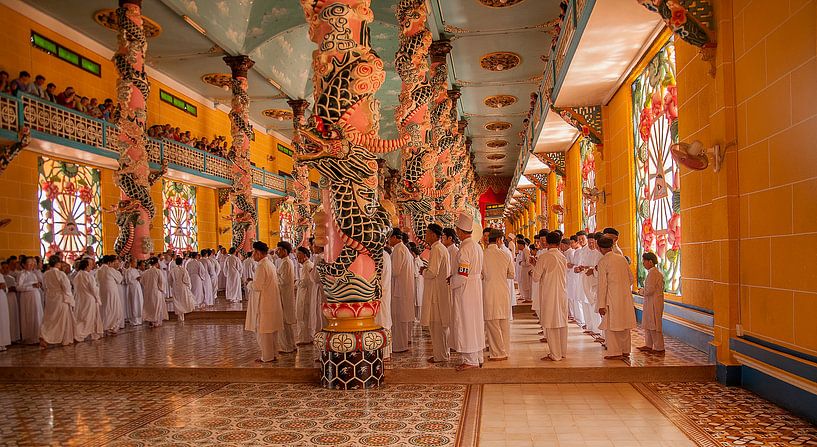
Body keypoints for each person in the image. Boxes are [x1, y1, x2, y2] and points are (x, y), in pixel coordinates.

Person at [450, 213, 485, 371]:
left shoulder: (464, 248)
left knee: (466, 322)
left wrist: (451, 281)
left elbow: (463, 275)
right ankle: (477, 356)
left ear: (460, 231)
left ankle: (470, 359)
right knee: (475, 321)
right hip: (475, 287)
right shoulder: (477, 246)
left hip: (466, 290)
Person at [531, 231, 569, 361]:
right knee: (562, 323)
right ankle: (562, 352)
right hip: (562, 293)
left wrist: (533, 267)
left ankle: (555, 354)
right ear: (559, 243)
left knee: (551, 323)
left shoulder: (544, 257)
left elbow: (536, 277)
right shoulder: (563, 257)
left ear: (547, 242)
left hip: (550, 293)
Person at [597, 236, 636, 360]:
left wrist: (601, 305)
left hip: (611, 298)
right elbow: (631, 279)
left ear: (600, 248)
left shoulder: (603, 261)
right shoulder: (622, 259)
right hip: (625, 297)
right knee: (624, 324)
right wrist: (622, 288)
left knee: (612, 325)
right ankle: (625, 350)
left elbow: (602, 285)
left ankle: (615, 352)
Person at [245, 241, 283, 362]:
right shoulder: (269, 264)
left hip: (264, 302)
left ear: (259, 253)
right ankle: (273, 353)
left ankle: (267, 356)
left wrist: (249, 283)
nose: (253, 255)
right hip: (270, 301)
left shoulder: (262, 266)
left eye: (254, 252)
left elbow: (257, 286)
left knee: (264, 330)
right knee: (270, 330)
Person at [421, 223, 452, 363]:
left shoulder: (437, 249)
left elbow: (433, 271)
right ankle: (443, 353)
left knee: (437, 326)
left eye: (427, 233)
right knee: (440, 326)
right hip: (439, 291)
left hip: (437, 294)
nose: (425, 235)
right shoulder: (440, 248)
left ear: (433, 235)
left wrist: (423, 271)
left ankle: (441, 356)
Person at [482, 229, 514, 361]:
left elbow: (480, 274)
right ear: (499, 240)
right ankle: (505, 350)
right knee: (504, 323)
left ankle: (497, 353)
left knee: (492, 322)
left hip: (489, 290)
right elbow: (511, 274)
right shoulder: (506, 255)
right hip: (503, 290)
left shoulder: (483, 255)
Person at [39, 255, 75, 347]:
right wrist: (70, 298)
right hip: (60, 298)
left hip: (50, 298)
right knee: (61, 319)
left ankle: (45, 335)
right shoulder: (60, 274)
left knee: (50, 318)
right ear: (58, 264)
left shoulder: (46, 274)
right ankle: (61, 338)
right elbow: (66, 287)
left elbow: (44, 286)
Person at [389, 228, 415, 353]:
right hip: (403, 288)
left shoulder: (399, 250)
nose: (388, 240)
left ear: (395, 237)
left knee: (399, 318)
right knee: (402, 318)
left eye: (389, 237)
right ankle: (402, 343)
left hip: (399, 289)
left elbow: (395, 271)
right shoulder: (403, 249)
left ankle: (399, 346)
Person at [638, 252, 665, 353]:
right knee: (649, 324)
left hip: (654, 303)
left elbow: (649, 290)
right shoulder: (652, 273)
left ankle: (659, 347)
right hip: (650, 302)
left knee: (654, 324)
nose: (643, 263)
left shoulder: (653, 273)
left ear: (650, 262)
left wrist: (641, 291)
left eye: (644, 261)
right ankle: (649, 345)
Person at [72, 258, 103, 341]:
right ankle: (79, 335)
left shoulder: (77, 275)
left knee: (82, 316)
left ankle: (93, 334)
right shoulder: (88, 276)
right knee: (88, 318)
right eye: (90, 264)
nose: (92, 266)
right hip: (89, 299)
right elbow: (93, 288)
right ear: (86, 266)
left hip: (80, 299)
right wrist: (98, 298)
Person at [275, 241, 297, 353]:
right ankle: (291, 345)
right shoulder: (284, 262)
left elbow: (283, 281)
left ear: (284, 251)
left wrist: (273, 278)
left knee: (284, 322)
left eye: (278, 249)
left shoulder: (286, 263)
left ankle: (287, 347)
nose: (277, 252)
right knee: (286, 322)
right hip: (284, 294)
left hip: (284, 295)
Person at [16, 256, 43, 344]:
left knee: (37, 315)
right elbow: (18, 287)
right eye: (29, 263)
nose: (32, 265)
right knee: (29, 315)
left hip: (36, 297)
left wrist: (38, 285)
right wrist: (31, 286)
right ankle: (30, 337)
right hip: (27, 298)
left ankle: (38, 335)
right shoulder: (22, 274)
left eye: (32, 263)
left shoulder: (33, 274)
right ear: (23, 265)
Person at [97, 255, 124, 335]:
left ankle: (106, 326)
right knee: (114, 308)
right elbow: (120, 279)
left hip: (102, 291)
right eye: (113, 263)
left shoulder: (99, 270)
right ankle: (111, 327)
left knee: (105, 308)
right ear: (109, 263)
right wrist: (119, 270)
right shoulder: (110, 269)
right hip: (111, 291)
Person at [295, 247, 314, 346]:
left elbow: (304, 282)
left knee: (302, 316)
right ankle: (308, 337)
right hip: (305, 294)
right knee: (305, 316)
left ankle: (304, 338)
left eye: (299, 255)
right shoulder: (307, 265)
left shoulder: (307, 266)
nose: (297, 257)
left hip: (305, 295)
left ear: (305, 255)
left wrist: (296, 282)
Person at [141, 257, 168, 327]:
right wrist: (161, 289)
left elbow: (142, 282)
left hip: (147, 292)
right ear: (156, 263)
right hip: (156, 291)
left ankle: (150, 320)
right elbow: (162, 281)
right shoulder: (158, 271)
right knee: (157, 306)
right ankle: (156, 321)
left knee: (149, 306)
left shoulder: (145, 272)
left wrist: (147, 287)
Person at [376, 245, 393, 360]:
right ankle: (385, 351)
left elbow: (377, 276)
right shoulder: (384, 255)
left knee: (381, 321)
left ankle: (383, 351)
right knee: (383, 320)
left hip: (380, 293)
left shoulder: (381, 256)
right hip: (382, 292)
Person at [169, 257, 195, 321]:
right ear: (182, 262)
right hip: (182, 286)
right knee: (182, 300)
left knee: (177, 300)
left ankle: (179, 315)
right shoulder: (183, 270)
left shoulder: (172, 270)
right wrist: (189, 286)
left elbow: (169, 280)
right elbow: (186, 279)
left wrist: (172, 285)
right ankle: (182, 314)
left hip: (175, 286)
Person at [123, 259, 143, 326]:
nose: (136, 264)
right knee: (133, 302)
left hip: (137, 287)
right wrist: (135, 279)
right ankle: (134, 319)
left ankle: (139, 318)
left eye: (136, 262)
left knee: (139, 302)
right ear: (131, 262)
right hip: (132, 288)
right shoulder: (128, 271)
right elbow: (127, 280)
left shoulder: (136, 270)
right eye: (135, 262)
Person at [516, 239, 532, 303]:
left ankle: (528, 298)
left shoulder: (526, 251)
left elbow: (528, 262)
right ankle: (526, 297)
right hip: (524, 270)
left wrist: (521, 263)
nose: (518, 247)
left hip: (526, 270)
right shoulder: (523, 251)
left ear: (521, 245)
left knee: (526, 284)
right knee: (524, 283)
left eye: (518, 245)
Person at [0, 274, 10, 351]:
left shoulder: (0, 275)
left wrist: (4, 287)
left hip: (2, 298)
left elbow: (5, 288)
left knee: (3, 320)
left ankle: (3, 342)